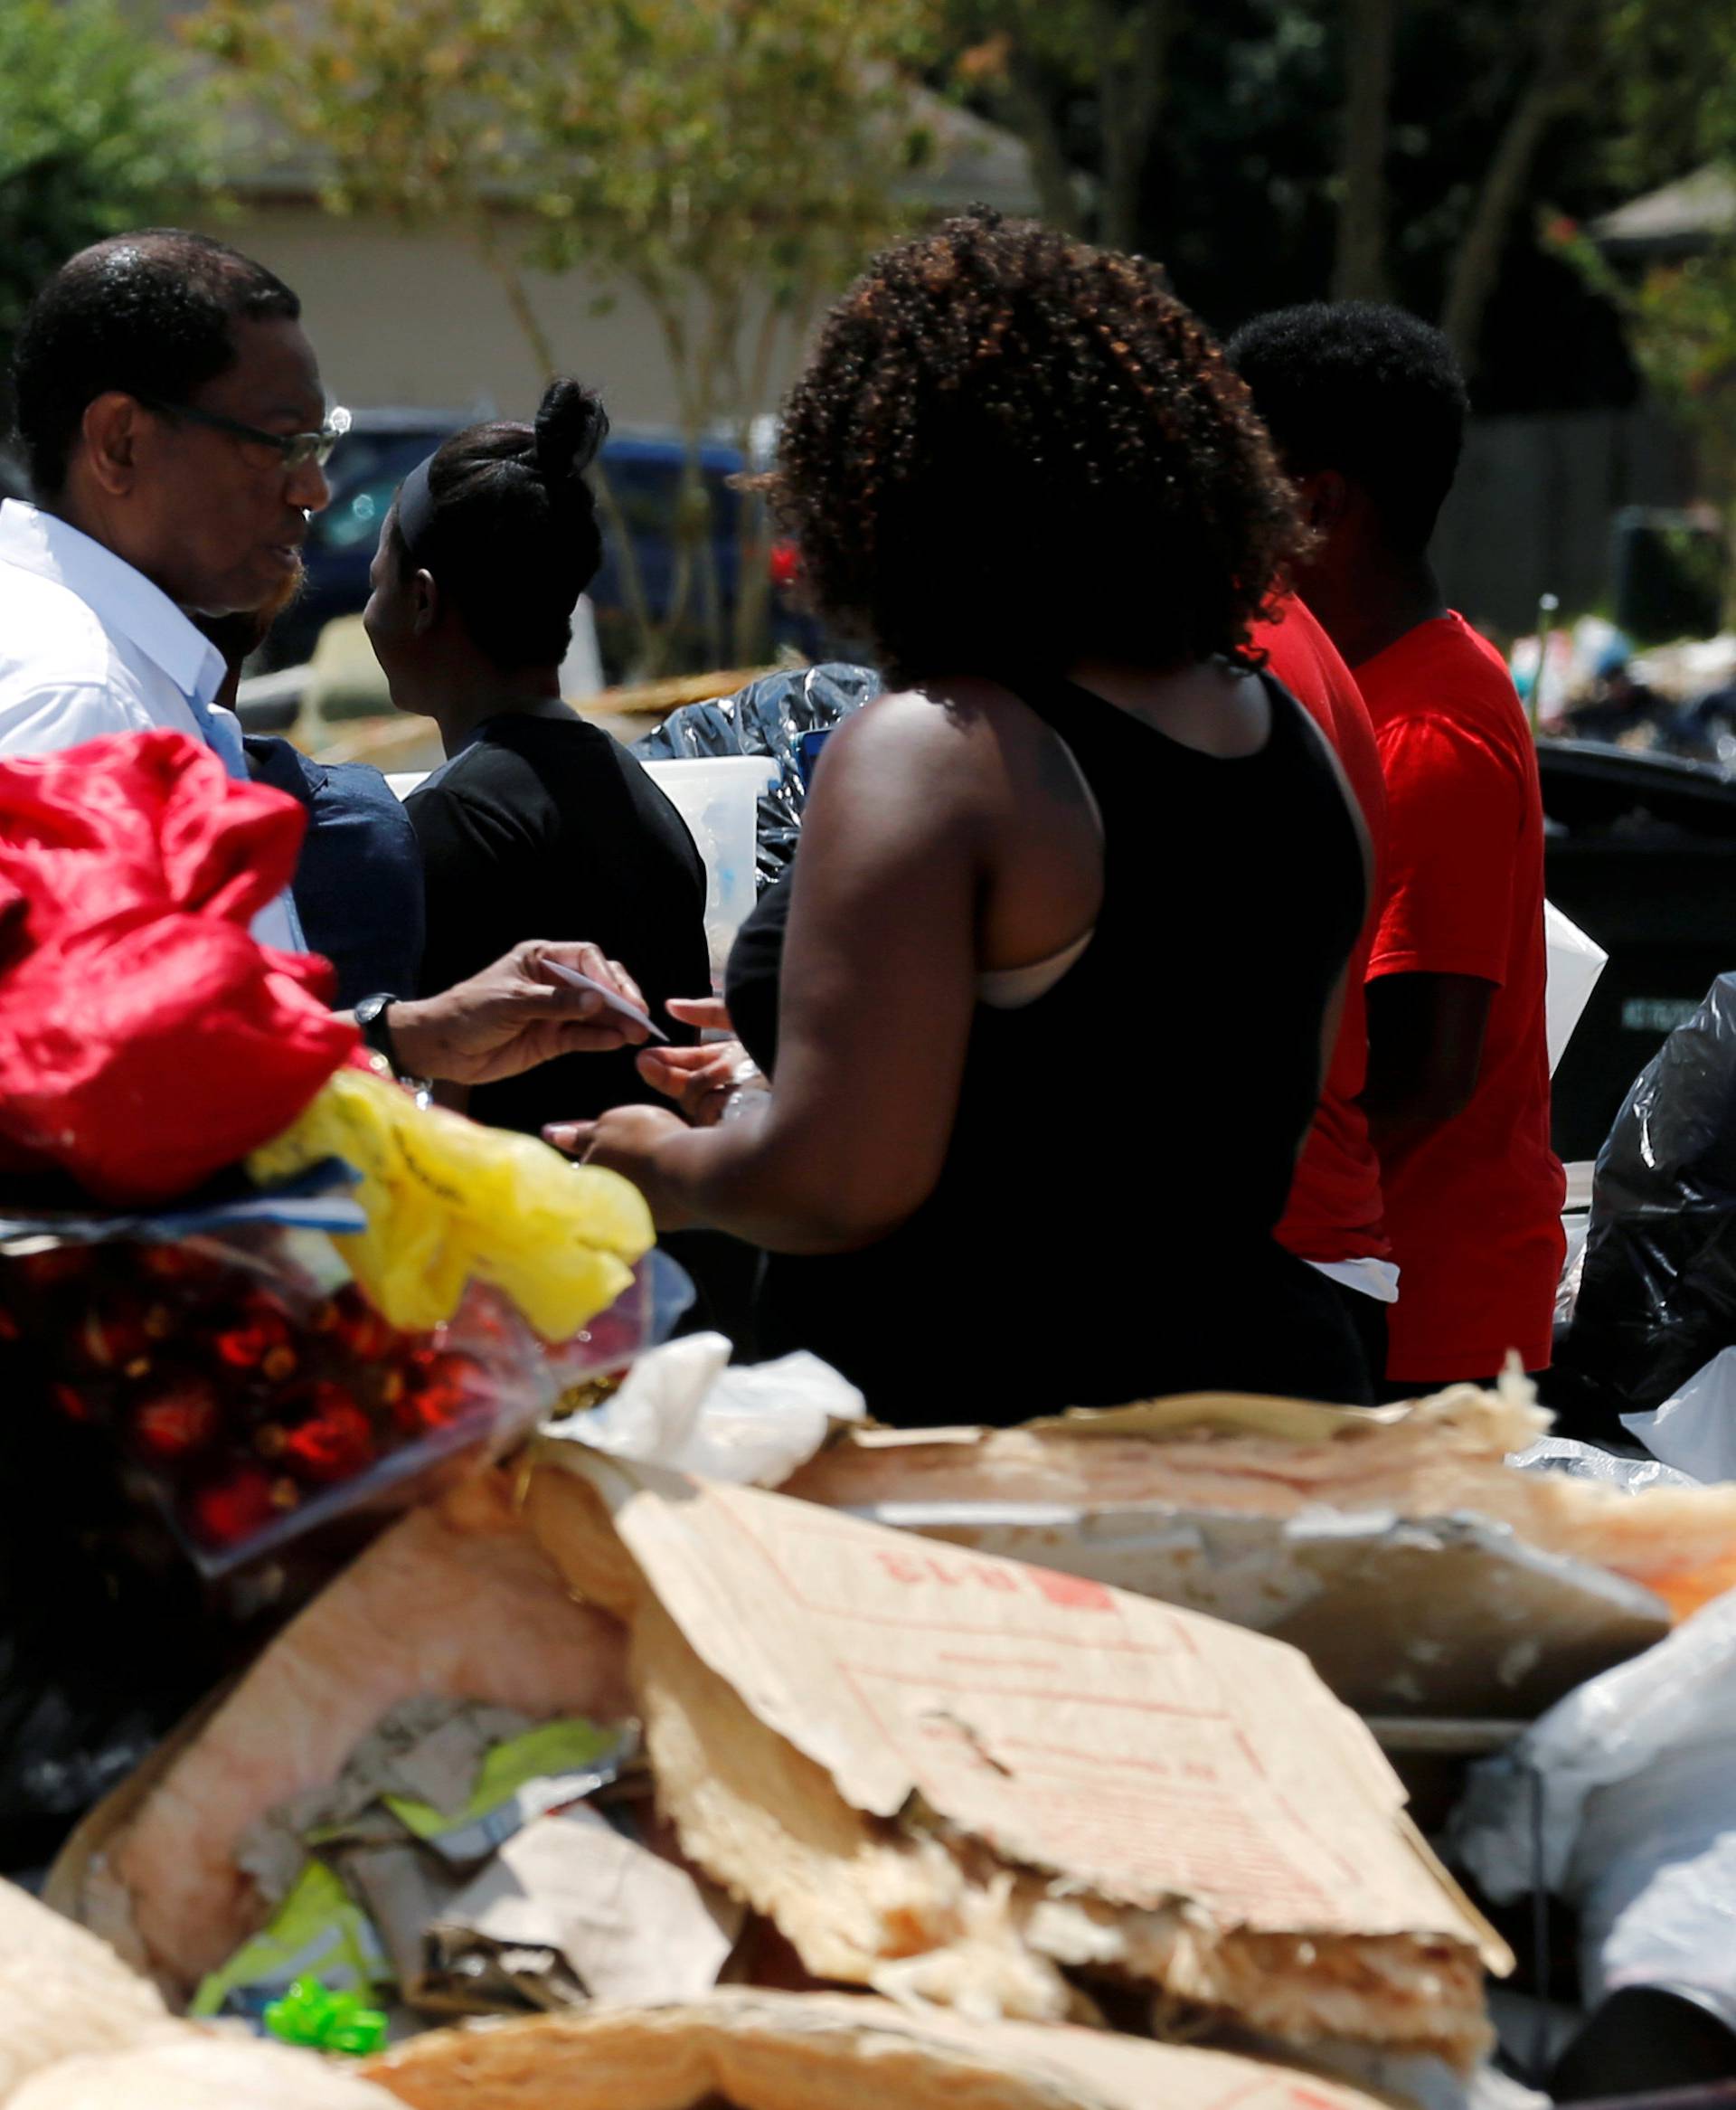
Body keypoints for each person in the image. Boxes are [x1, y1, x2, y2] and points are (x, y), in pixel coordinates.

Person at [550, 211, 1373, 1421]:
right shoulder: (1287, 737)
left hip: (988, 1469)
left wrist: (649, 1162)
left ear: (890, 490)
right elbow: (1176, 1095)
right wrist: (816, 1052)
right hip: (1261, 1416)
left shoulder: (942, 750)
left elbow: (840, 1185)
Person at [2, 228, 648, 1090]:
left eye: (320, 443)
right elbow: (84, 1105)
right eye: (279, 445)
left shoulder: (108, 667)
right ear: (120, 443)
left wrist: (400, 1038)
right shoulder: (77, 694)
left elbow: (164, 1060)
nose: (313, 491)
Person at [1229, 300, 1564, 1393]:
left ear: (1318, 504)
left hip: (1429, 1322)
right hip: (1384, 1292)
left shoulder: (1425, 731)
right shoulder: (1373, 685)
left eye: (1233, 481)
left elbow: (1426, 1071)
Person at [362, 378, 711, 1133]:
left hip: (522, 1238)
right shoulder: (636, 793)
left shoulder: (449, 821)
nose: (368, 596)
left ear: (421, 601)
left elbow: (440, 1117)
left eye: (378, 569)